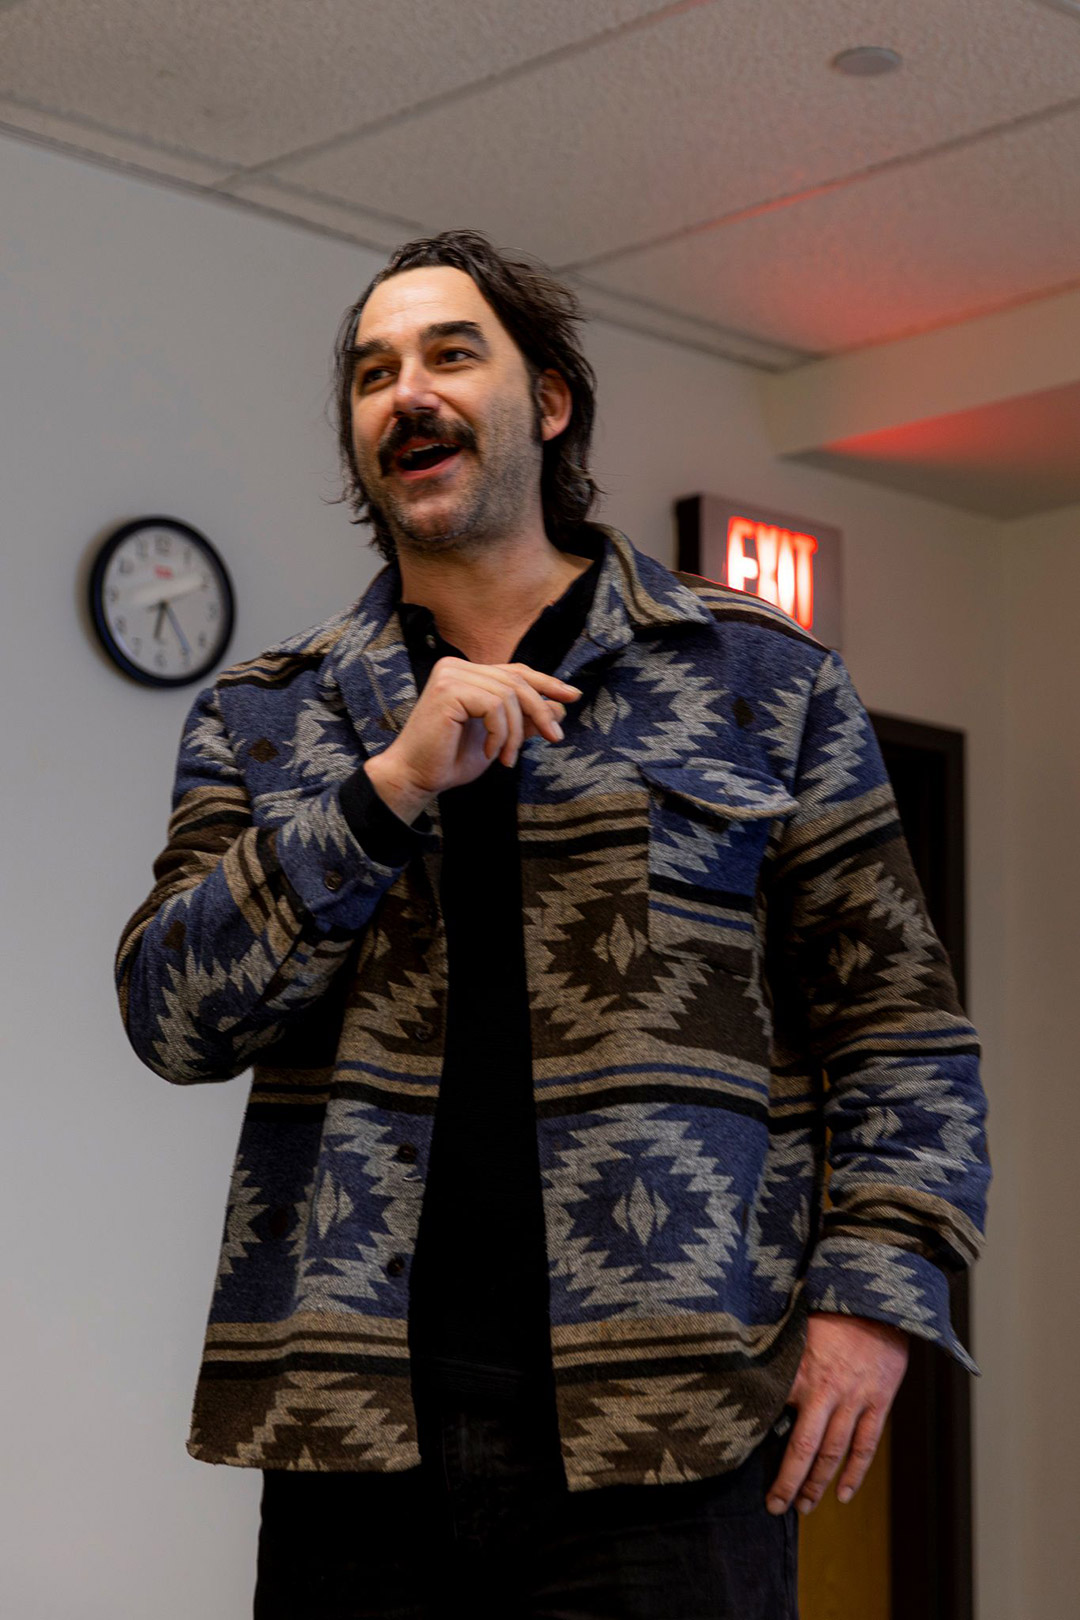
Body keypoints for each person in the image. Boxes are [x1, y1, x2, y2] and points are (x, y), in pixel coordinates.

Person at [115, 230, 990, 1620]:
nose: (407, 391)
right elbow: (172, 1017)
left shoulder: (763, 683)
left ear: (553, 401)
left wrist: (873, 1302)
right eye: (372, 372)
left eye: (452, 354)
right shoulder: (265, 717)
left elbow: (903, 1036)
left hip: (671, 1439)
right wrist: (389, 786)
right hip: (354, 1443)